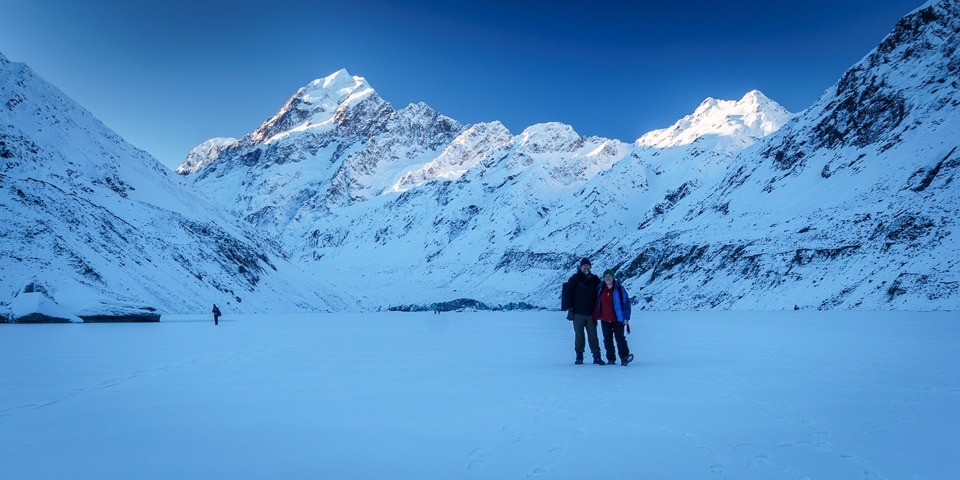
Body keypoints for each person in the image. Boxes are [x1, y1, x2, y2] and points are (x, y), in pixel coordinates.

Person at [563, 258, 604, 365]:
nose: (586, 267)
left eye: (587, 265)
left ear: (590, 267)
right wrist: (570, 309)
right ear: (580, 267)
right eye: (584, 265)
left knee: (593, 336)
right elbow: (568, 295)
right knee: (579, 336)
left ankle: (597, 357)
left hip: (591, 314)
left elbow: (602, 293)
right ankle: (579, 357)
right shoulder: (574, 279)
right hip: (578, 314)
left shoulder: (595, 279)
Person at [594, 269, 634, 366]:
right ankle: (611, 359)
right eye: (606, 276)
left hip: (617, 319)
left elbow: (626, 304)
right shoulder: (600, 289)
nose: (607, 278)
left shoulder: (620, 289)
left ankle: (624, 357)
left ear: (613, 277)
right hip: (605, 319)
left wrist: (626, 318)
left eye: (609, 276)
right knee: (607, 339)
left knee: (620, 338)